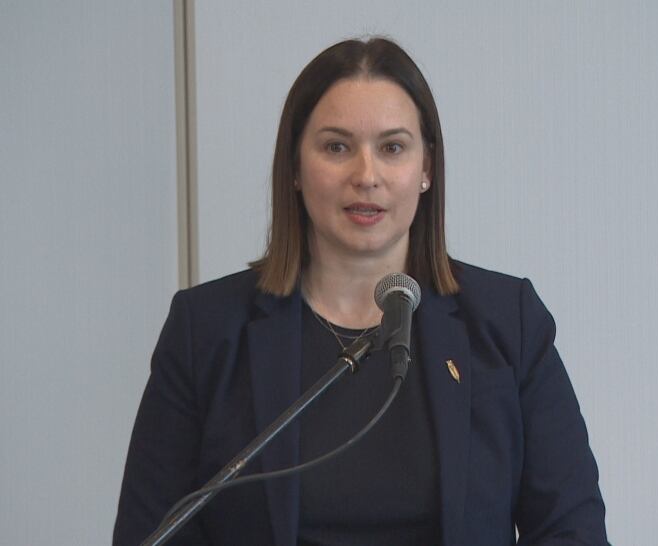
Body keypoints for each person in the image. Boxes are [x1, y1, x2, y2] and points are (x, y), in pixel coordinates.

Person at [114, 37, 609, 546]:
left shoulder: (508, 322)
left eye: (392, 148)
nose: (365, 176)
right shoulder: (207, 330)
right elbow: (150, 533)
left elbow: (573, 530)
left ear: (426, 170)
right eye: (336, 147)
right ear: (294, 169)